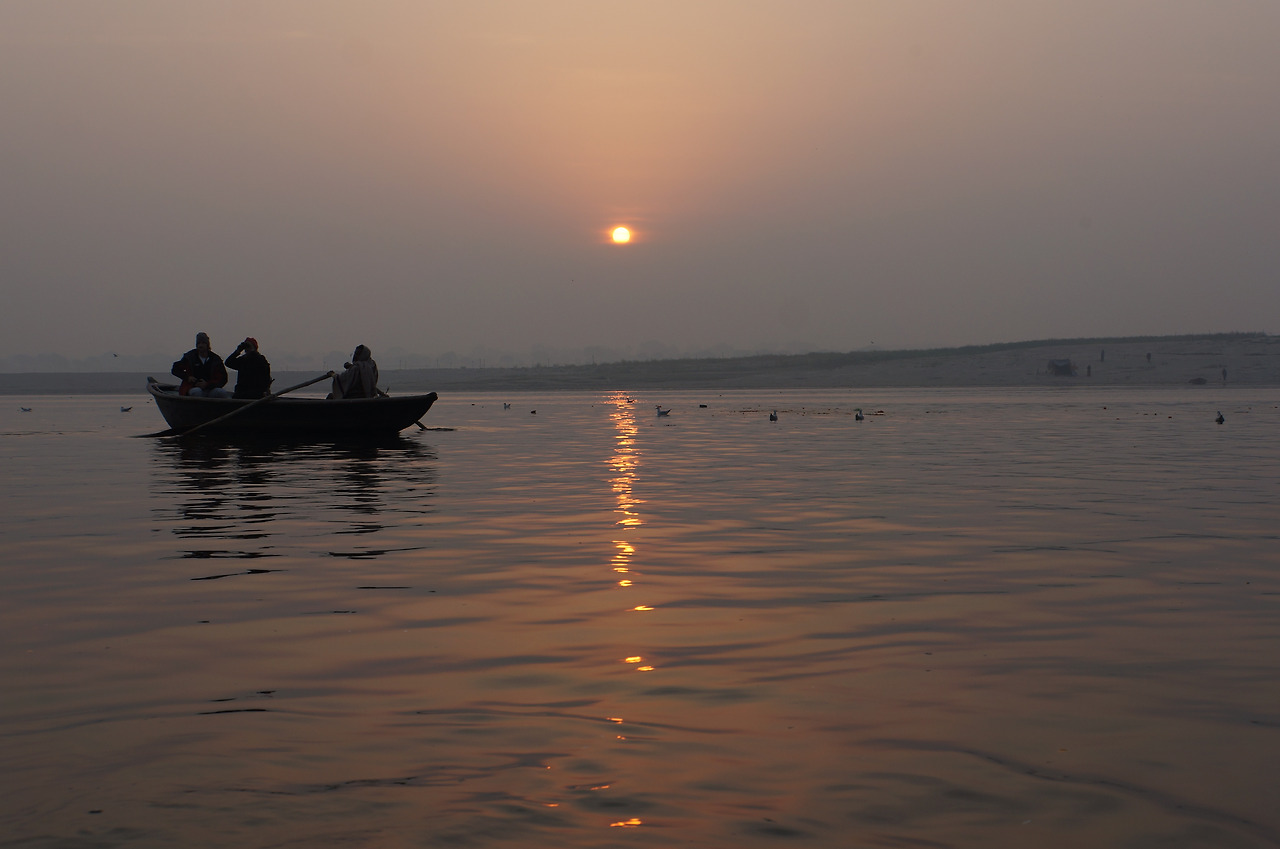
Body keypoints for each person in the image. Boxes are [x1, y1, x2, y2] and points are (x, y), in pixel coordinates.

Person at [171, 332, 232, 397]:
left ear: (207, 345)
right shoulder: (190, 357)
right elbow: (175, 369)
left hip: (210, 388)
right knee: (197, 392)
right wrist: (188, 377)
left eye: (203, 343)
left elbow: (223, 379)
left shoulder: (215, 359)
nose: (200, 345)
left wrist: (207, 384)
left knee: (221, 392)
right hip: (192, 387)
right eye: (198, 343)